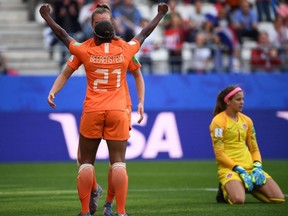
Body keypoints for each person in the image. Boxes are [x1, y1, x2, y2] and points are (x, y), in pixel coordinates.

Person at [40, 2, 168, 216]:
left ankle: (85, 211)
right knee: (118, 163)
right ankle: (121, 211)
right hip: (118, 110)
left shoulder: (84, 50)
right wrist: (160, 14)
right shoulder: (126, 49)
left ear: (94, 31)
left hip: (93, 110)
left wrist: (46, 16)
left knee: (85, 162)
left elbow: (62, 35)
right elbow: (144, 33)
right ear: (113, 30)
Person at [209, 85, 285, 205]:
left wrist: (258, 166)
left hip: (250, 168)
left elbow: (254, 149)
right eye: (238, 99)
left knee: (278, 199)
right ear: (228, 101)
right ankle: (224, 191)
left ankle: (248, 186)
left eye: (243, 99)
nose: (242, 102)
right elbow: (219, 154)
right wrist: (238, 168)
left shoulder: (247, 121)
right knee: (238, 200)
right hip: (231, 169)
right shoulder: (218, 122)